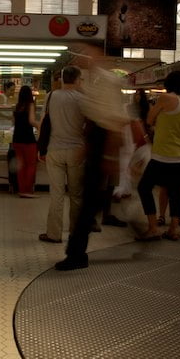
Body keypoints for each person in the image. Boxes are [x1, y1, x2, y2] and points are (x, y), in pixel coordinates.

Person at [55, 46, 129, 270]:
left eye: (83, 52)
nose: (78, 56)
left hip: (104, 141)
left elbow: (116, 122)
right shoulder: (91, 80)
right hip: (96, 140)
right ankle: (77, 252)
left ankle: (76, 254)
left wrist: (109, 156)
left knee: (89, 203)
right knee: (90, 201)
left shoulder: (108, 81)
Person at [136, 71, 180, 241]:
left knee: (144, 187)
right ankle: (173, 230)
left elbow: (149, 119)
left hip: (163, 154)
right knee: (175, 191)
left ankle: (153, 227)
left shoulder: (166, 98)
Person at [38, 65, 86, 244]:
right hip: (77, 151)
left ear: (63, 78)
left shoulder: (51, 96)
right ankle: (75, 233)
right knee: (76, 194)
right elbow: (89, 125)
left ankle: (53, 234)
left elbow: (44, 123)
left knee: (56, 194)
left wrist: (41, 149)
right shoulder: (82, 99)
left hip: (54, 150)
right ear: (78, 79)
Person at [12, 85, 40, 198]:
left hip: (16, 139)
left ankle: (21, 190)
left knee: (21, 166)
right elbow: (32, 121)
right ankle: (27, 190)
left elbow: (13, 122)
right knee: (31, 165)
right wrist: (40, 126)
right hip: (28, 139)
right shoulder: (31, 105)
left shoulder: (16, 106)